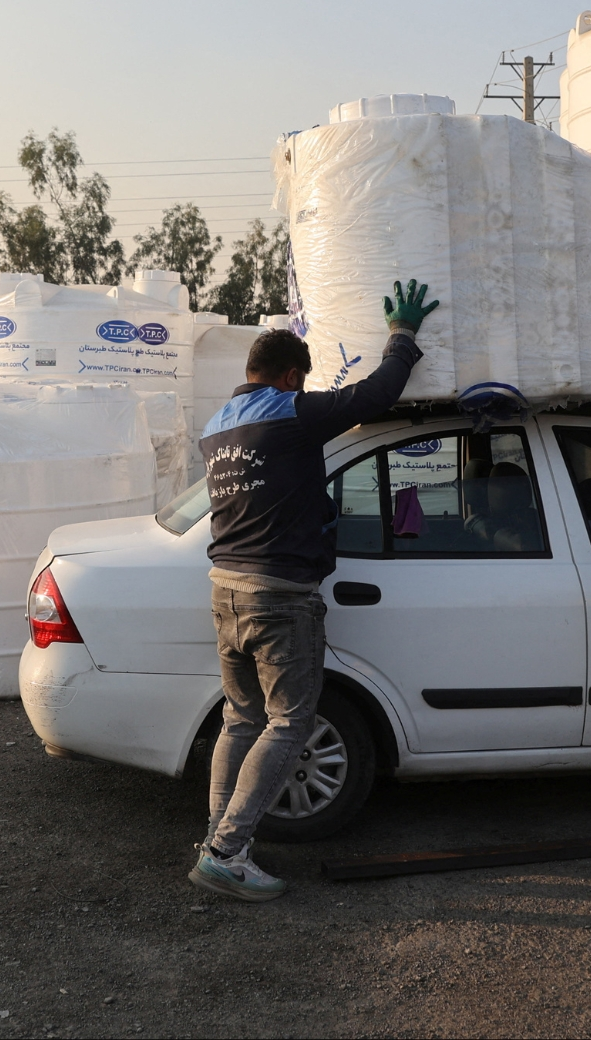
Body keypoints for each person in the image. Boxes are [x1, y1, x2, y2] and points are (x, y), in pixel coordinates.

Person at [189, 280, 437, 902]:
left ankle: (217, 840)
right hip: (278, 593)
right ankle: (228, 851)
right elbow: (375, 396)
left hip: (225, 590)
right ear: (292, 377)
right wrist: (402, 338)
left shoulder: (217, 426)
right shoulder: (290, 412)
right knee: (290, 722)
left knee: (240, 719)